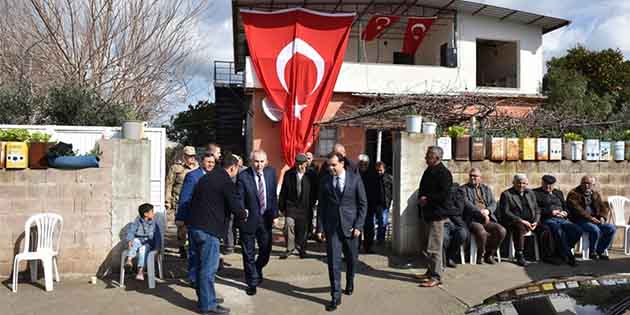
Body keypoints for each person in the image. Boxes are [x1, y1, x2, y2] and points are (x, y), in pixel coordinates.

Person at [188, 154, 248, 315]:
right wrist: (244, 213)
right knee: (208, 269)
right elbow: (236, 207)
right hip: (209, 231)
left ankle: (207, 299)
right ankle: (208, 306)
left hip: (195, 228)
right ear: (233, 168)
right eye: (238, 169)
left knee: (201, 267)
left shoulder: (206, 178)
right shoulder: (225, 181)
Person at [318, 152, 367, 311]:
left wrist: (358, 226)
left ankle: (350, 280)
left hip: (351, 228)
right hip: (332, 228)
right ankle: (335, 295)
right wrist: (320, 228)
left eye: (333, 165)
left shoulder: (355, 179)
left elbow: (362, 204)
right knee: (333, 262)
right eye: (329, 165)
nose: (330, 168)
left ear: (342, 164)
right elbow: (322, 206)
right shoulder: (325, 181)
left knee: (352, 259)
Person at [236, 149, 279, 296]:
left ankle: (257, 268)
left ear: (266, 161)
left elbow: (273, 196)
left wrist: (275, 214)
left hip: (266, 219)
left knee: (266, 250)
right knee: (248, 253)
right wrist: (242, 212)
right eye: (256, 161)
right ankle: (252, 282)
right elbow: (239, 198)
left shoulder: (271, 173)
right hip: (249, 220)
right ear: (251, 161)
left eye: (261, 161)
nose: (259, 165)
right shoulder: (243, 176)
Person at [177, 153, 217, 286]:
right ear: (201, 162)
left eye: (212, 162)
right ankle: (193, 278)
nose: (211, 164)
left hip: (211, 220)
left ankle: (204, 278)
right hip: (195, 220)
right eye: (208, 162)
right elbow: (185, 198)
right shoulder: (193, 176)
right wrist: (181, 218)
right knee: (195, 251)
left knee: (207, 253)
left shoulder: (215, 176)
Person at [417, 146, 452, 287]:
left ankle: (437, 276)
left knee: (434, 247)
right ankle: (430, 271)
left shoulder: (444, 174)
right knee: (427, 245)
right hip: (427, 213)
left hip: (437, 215)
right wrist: (421, 198)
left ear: (437, 158)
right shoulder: (428, 170)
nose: (426, 158)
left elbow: (444, 195)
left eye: (428, 156)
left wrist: (427, 199)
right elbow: (422, 188)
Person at [460, 168, 506, 264]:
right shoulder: (463, 189)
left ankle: (489, 254)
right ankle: (480, 255)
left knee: (501, 230)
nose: (473, 178)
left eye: (475, 176)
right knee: (481, 232)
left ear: (480, 178)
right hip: (472, 219)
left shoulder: (486, 189)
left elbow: (493, 203)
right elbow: (467, 205)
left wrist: (488, 211)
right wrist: (481, 213)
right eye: (471, 176)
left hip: (487, 217)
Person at [533, 175, 581, 266]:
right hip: (548, 219)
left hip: (562, 218)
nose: (548, 187)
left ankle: (562, 250)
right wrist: (551, 212)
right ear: (542, 183)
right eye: (546, 184)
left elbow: (565, 206)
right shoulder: (535, 193)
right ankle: (569, 256)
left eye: (550, 185)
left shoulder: (558, 193)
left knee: (577, 230)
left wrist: (565, 212)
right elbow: (536, 209)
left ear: (554, 185)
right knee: (558, 230)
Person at [566, 175, 616, 260]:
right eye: (584, 183)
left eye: (589, 184)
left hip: (595, 220)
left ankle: (599, 251)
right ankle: (592, 251)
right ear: (581, 183)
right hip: (579, 220)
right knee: (594, 229)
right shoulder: (573, 194)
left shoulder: (595, 194)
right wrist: (591, 218)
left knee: (611, 228)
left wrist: (602, 217)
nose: (586, 186)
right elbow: (578, 210)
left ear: (593, 184)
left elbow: (603, 207)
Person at [279, 153, 317, 259]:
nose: (300, 166)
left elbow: (316, 190)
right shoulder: (289, 174)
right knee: (288, 225)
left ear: (306, 163)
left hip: (305, 206)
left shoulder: (311, 175)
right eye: (298, 164)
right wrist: (281, 207)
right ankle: (290, 248)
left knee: (303, 229)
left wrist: (313, 203)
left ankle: (302, 248)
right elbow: (283, 191)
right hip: (291, 206)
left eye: (302, 164)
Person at [498, 174, 540, 266]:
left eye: (524, 183)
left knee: (547, 227)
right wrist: (521, 221)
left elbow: (537, 209)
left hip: (531, 221)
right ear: (513, 183)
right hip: (514, 221)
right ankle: (519, 254)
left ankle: (547, 253)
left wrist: (536, 221)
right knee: (520, 228)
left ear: (527, 183)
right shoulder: (506, 194)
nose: (521, 185)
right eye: (519, 183)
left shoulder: (530, 193)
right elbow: (506, 212)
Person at [165, 145, 198, 258]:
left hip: (194, 201)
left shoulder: (198, 168)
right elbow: (169, 184)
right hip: (179, 201)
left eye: (193, 156)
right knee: (181, 227)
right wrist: (167, 201)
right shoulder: (176, 168)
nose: (191, 158)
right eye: (189, 156)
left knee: (193, 226)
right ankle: (182, 246)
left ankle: (192, 246)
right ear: (184, 156)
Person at [125, 203, 161, 281]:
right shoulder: (137, 221)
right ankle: (129, 260)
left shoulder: (154, 224)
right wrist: (129, 240)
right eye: (152, 211)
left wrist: (157, 249)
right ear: (146, 214)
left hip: (148, 243)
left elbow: (158, 237)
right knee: (135, 240)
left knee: (143, 249)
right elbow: (131, 231)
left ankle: (140, 271)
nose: (153, 213)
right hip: (138, 242)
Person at [364, 161, 393, 253]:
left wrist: (390, 201)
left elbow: (391, 190)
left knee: (383, 223)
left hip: (383, 204)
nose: (379, 172)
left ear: (384, 169)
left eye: (380, 170)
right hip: (373, 204)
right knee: (371, 224)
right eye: (377, 170)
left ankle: (381, 240)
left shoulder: (388, 178)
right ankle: (371, 241)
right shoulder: (372, 178)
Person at [442, 184, 469, 268]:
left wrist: (481, 215)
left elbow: (465, 207)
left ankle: (450, 256)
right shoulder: (439, 193)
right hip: (443, 221)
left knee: (462, 234)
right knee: (444, 237)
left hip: (457, 222)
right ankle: (442, 260)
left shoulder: (459, 192)